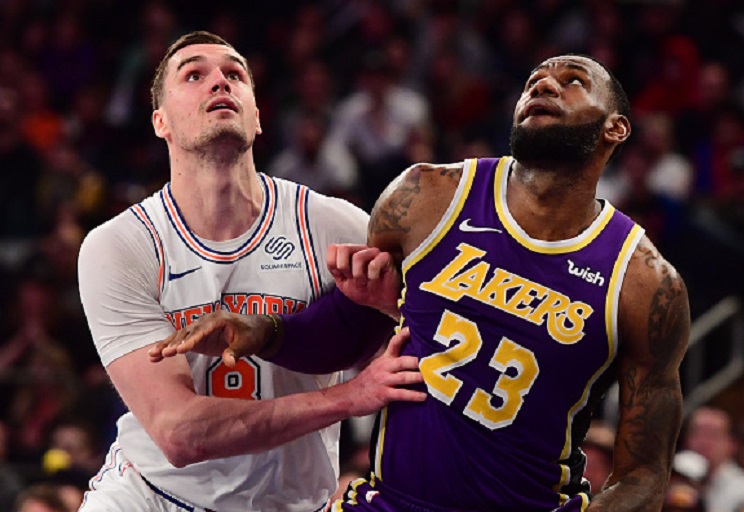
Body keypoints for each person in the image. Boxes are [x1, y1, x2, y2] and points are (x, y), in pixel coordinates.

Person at [153, 54, 691, 510]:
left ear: (615, 128)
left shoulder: (643, 283)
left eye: (573, 81)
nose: (545, 84)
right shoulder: (428, 196)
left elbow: (643, 472)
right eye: (533, 82)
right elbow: (346, 326)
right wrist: (264, 331)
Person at [77, 30, 425, 512]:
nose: (219, 81)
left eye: (234, 74)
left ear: (257, 116)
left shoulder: (334, 225)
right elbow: (180, 434)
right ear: (161, 122)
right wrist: (351, 396)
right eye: (194, 74)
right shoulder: (119, 245)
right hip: (153, 496)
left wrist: (388, 302)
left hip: (292, 501)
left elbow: (429, 324)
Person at [684, 406, 744, 512]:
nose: (703, 442)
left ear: (732, 444)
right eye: (697, 433)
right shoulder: (671, 484)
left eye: (713, 435)